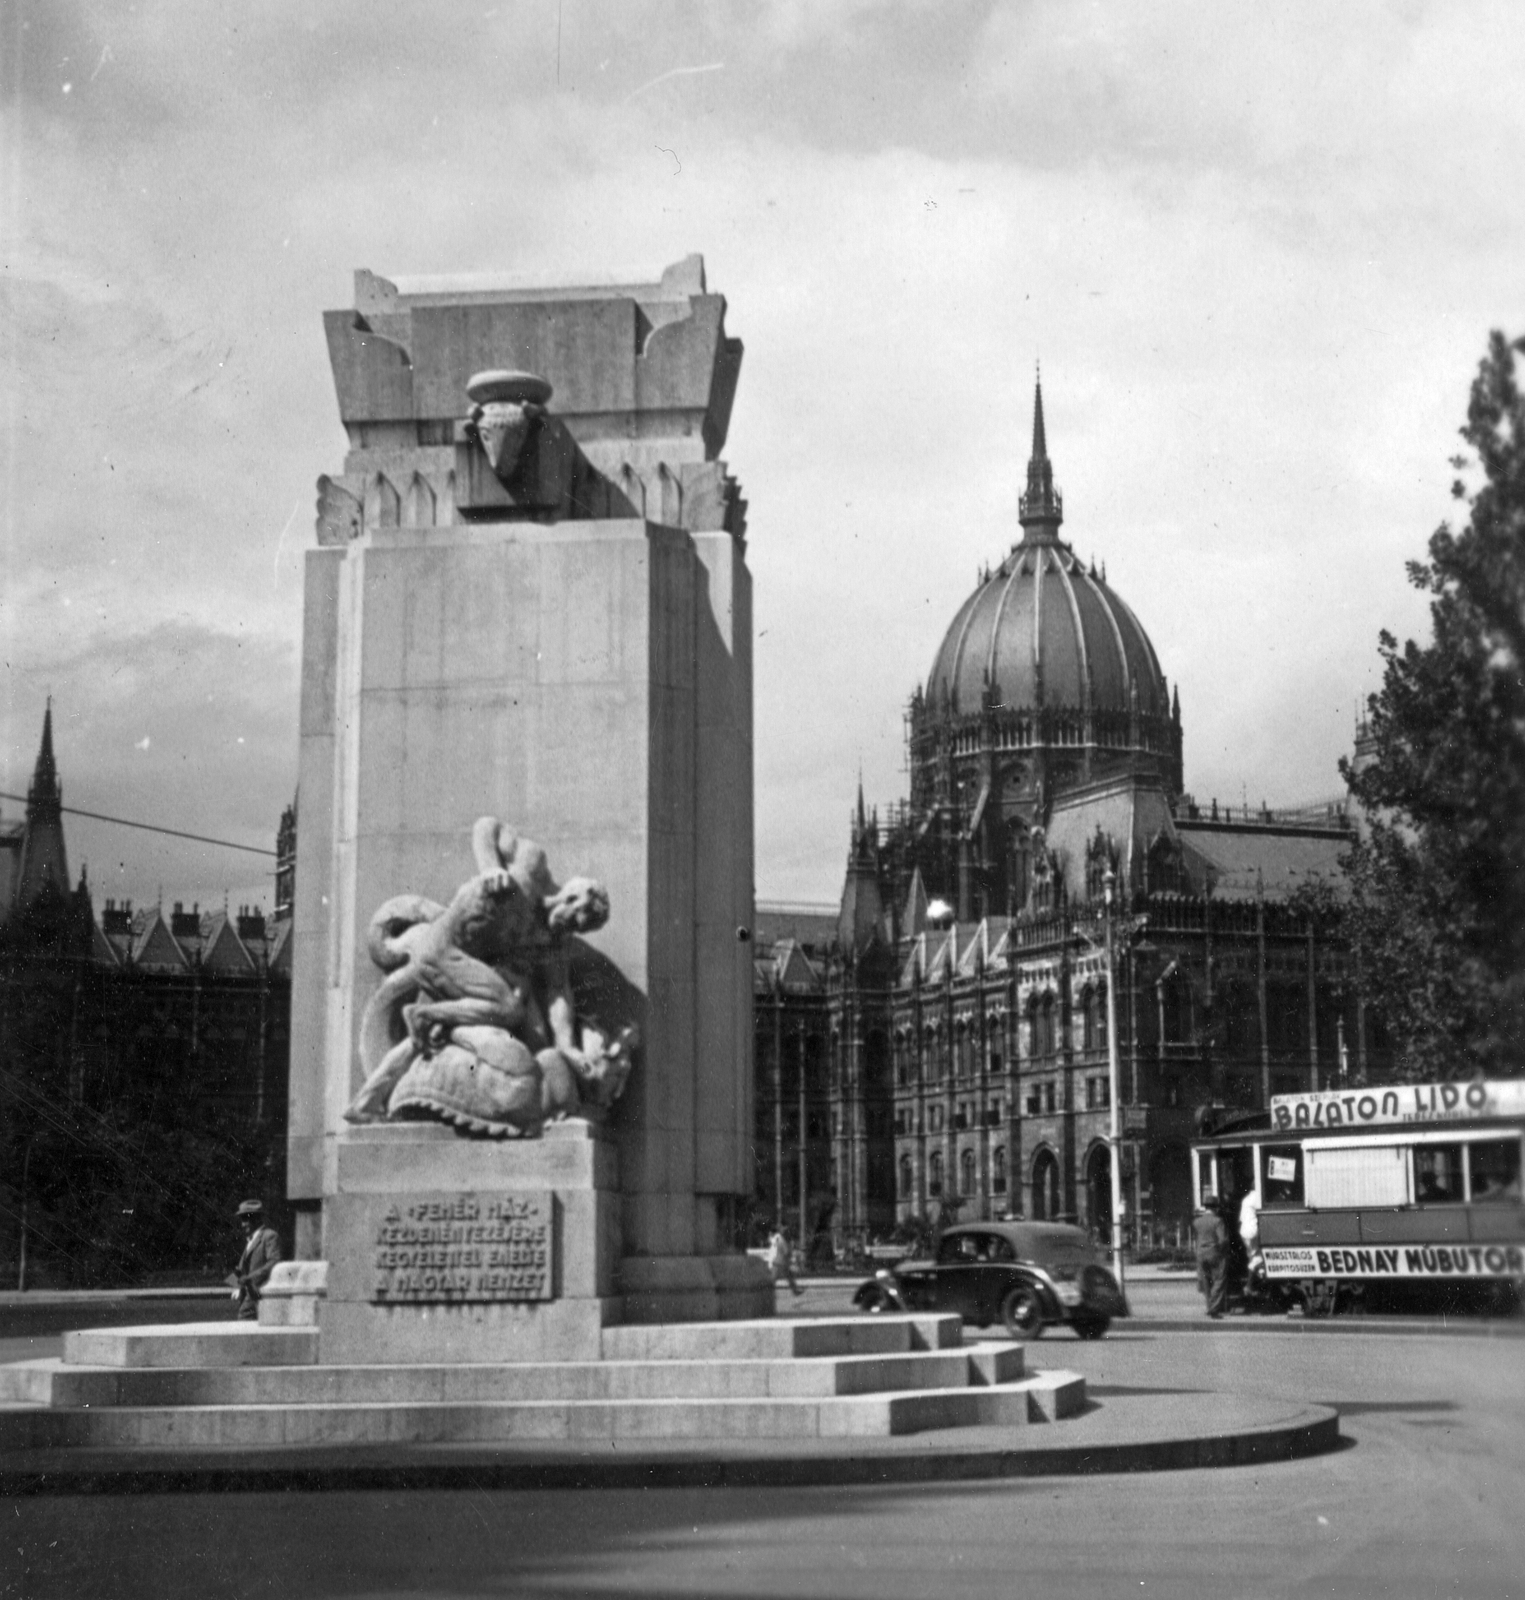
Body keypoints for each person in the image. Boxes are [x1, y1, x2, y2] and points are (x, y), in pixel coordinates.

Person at [229, 1200, 283, 1321]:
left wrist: (250, 1278)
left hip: (259, 1293)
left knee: (244, 1319)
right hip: (248, 1294)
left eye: (246, 1219)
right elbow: (241, 1268)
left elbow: (274, 1261)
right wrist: (234, 1284)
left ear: (257, 1219)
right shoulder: (251, 1240)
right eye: (242, 1220)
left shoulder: (269, 1236)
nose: (243, 1224)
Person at [1192, 1198, 1229, 1320]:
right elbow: (1222, 1239)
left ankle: (1209, 1307)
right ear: (1215, 1208)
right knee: (1219, 1279)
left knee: (1206, 1281)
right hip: (1214, 1253)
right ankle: (1214, 1307)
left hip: (1201, 1254)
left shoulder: (1197, 1222)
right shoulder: (1218, 1221)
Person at [767, 1225, 803, 1297]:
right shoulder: (782, 1241)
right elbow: (786, 1252)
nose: (789, 1234)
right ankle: (766, 1292)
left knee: (789, 1278)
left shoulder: (782, 1240)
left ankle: (795, 1291)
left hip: (780, 1263)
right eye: (787, 1232)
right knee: (773, 1279)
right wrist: (791, 1251)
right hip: (780, 1263)